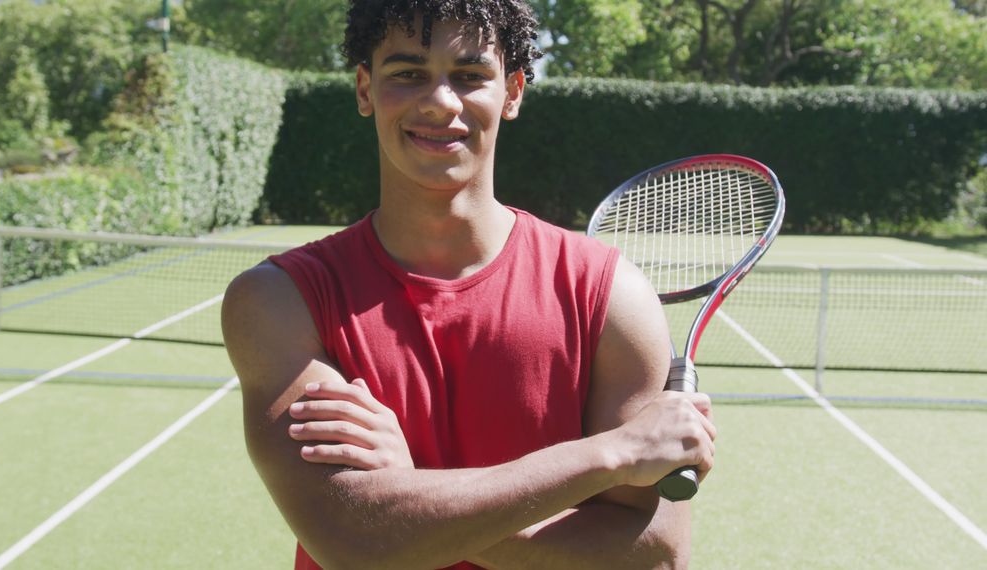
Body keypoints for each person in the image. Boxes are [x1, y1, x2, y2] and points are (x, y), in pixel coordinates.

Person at [221, 1, 716, 568]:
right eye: (408, 74)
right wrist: (609, 454)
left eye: (470, 76)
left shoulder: (612, 296)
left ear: (512, 92)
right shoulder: (279, 300)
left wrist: (410, 498)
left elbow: (656, 556)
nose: (440, 102)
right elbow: (350, 539)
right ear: (364, 89)